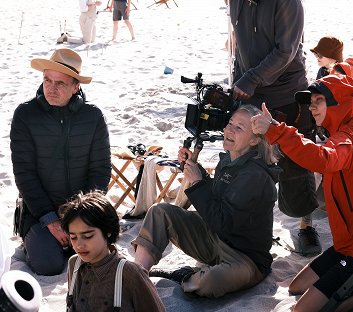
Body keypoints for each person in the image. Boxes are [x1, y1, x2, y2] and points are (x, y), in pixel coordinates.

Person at [251, 75, 353, 312]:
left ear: (340, 104)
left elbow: (321, 158)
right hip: (349, 246)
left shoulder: (347, 141)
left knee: (303, 310)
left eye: (319, 100)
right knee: (295, 286)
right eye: (310, 101)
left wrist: (276, 131)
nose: (311, 107)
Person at [132, 105, 281, 298]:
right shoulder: (229, 159)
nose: (229, 130)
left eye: (239, 128)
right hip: (214, 238)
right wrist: (194, 169)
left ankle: (187, 276)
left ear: (254, 139)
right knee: (159, 211)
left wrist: (197, 181)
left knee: (212, 281)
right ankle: (136, 275)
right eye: (230, 123)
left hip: (245, 257)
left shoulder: (255, 174)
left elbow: (222, 221)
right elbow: (217, 195)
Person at [229, 0, 322, 257]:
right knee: (250, 162)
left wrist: (251, 78)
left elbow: (286, 50)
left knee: (296, 163)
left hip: (287, 94)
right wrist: (237, 82)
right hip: (250, 92)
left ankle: (305, 228)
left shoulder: (288, 3)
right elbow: (239, 46)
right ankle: (249, 228)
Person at [10, 48, 112, 276]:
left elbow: (101, 170)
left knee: (98, 259)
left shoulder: (93, 116)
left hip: (83, 209)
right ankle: (36, 241)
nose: (51, 88)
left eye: (60, 84)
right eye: (47, 80)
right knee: (49, 265)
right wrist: (50, 220)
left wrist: (82, 217)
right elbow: (24, 174)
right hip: (40, 212)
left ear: (76, 87)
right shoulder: (25, 115)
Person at [60, 191, 165, 312]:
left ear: (108, 231)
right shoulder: (74, 264)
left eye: (88, 236)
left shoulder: (130, 273)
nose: (79, 244)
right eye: (73, 237)